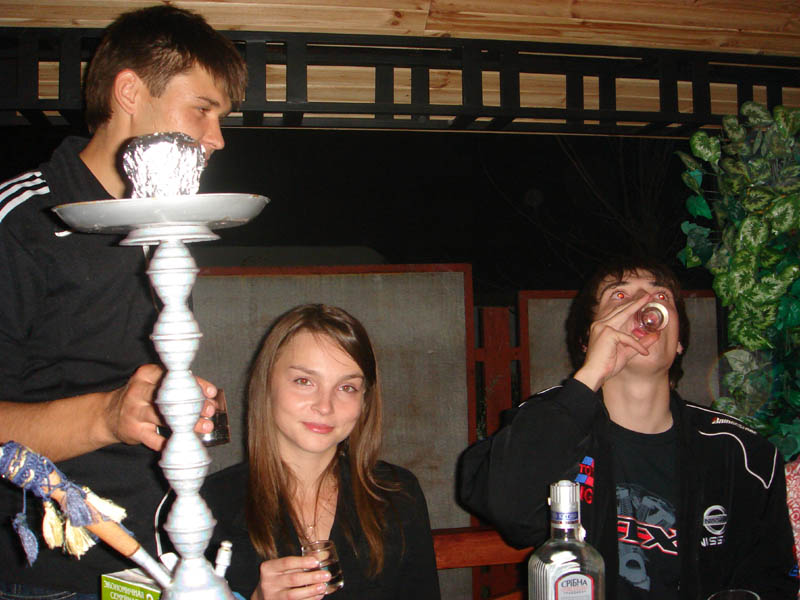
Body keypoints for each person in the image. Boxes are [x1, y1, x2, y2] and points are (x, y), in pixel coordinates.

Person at [0, 5, 247, 598]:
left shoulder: (165, 223)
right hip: (48, 574)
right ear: (131, 92)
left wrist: (177, 403)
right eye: (202, 109)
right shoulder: (22, 222)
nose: (216, 139)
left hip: (156, 553)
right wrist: (109, 415)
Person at [458, 257, 799, 599]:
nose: (643, 306)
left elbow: (772, 581)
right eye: (620, 296)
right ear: (587, 338)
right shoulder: (551, 421)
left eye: (660, 297)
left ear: (679, 340)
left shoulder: (740, 454)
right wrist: (590, 375)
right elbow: (510, 510)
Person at [202, 304, 441, 599]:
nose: (325, 406)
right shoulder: (208, 505)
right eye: (304, 381)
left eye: (347, 387)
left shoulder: (396, 494)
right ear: (265, 384)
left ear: (365, 400)